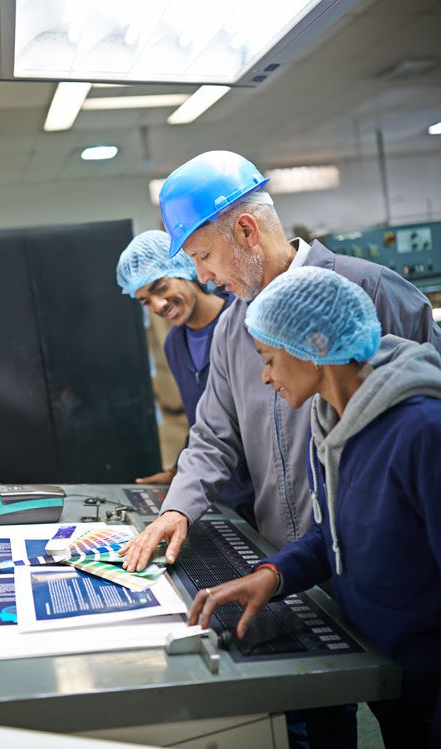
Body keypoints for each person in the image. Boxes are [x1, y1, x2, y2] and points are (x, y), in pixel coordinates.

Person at [120, 150, 441, 573]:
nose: (202, 277)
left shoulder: (371, 289)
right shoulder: (232, 328)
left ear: (247, 230)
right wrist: (176, 510)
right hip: (286, 563)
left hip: (392, 569)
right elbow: (213, 435)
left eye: (204, 256)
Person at [189, 266, 441, 749]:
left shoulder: (421, 431)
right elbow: (335, 536)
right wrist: (271, 575)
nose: (264, 377)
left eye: (268, 359)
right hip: (386, 676)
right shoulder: (331, 424)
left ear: (317, 346)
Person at [116, 229, 255, 519]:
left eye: (160, 288)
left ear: (185, 270)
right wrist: (180, 471)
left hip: (261, 491)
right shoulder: (174, 344)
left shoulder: (244, 322)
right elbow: (200, 419)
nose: (157, 305)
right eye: (145, 301)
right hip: (218, 495)